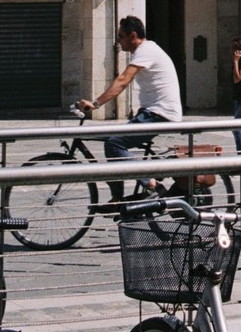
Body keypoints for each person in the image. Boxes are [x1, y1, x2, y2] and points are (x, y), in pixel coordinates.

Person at [78, 15, 182, 200]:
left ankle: (151, 185)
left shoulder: (146, 50)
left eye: (120, 36)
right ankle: (117, 198)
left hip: (159, 113)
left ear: (133, 35)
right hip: (152, 112)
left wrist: (95, 104)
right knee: (112, 141)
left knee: (114, 143)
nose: (118, 41)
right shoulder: (144, 51)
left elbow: (123, 80)